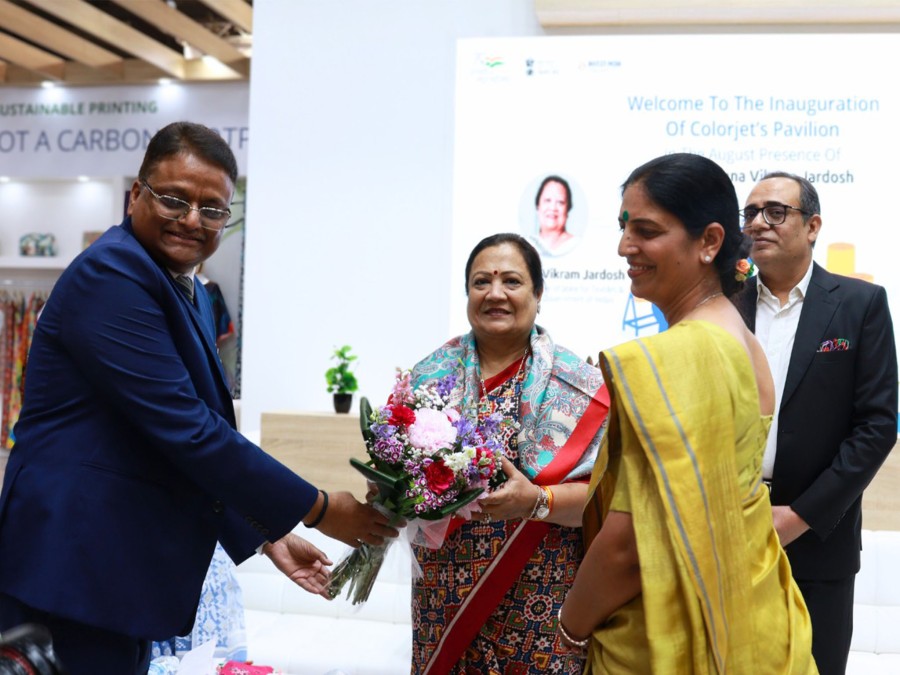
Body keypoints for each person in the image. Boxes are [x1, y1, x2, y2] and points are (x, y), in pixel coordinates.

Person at [0, 121, 398, 675]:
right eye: (174, 199)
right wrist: (320, 509)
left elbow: (173, 436)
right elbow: (187, 429)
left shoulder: (181, 285)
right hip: (70, 567)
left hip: (111, 570)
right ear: (135, 195)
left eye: (212, 209)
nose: (192, 219)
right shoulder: (111, 274)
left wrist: (268, 535)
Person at [559, 153, 817, 673]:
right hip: (753, 610)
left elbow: (630, 545)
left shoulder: (687, 352)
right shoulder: (737, 335)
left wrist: (570, 628)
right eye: (624, 227)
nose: (624, 246)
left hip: (672, 633)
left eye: (647, 230)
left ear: (710, 242)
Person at [409, 233, 609, 674]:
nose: (495, 293)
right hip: (443, 601)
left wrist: (536, 501)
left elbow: (604, 498)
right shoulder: (427, 379)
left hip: (540, 600)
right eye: (481, 282)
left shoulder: (578, 386)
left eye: (512, 281)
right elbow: (398, 481)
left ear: (538, 294)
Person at [733, 172, 898, 675]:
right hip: (729, 527)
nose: (758, 223)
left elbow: (877, 426)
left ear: (812, 226)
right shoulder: (723, 304)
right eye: (751, 213)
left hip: (819, 538)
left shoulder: (859, 304)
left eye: (775, 212)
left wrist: (799, 516)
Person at [531, 175, 578, 256]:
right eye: (547, 200)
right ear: (538, 206)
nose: (553, 208)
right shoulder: (526, 246)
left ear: (567, 209)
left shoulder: (577, 244)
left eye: (560, 202)